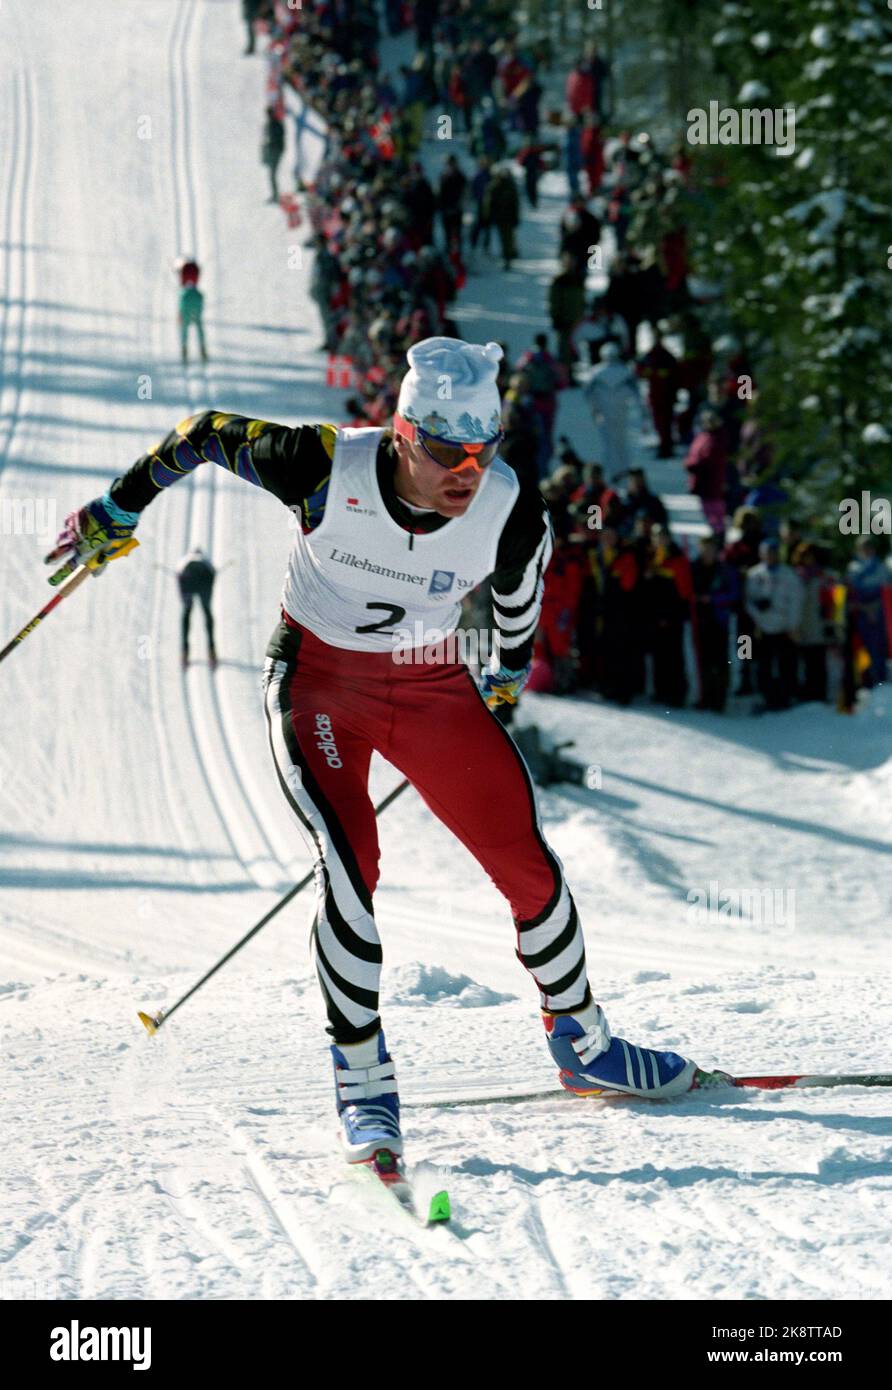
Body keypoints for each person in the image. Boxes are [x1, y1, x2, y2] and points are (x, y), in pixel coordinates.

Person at [45, 337, 697, 1172]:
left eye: (482, 449)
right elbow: (203, 432)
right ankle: (364, 1084)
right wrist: (119, 508)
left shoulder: (509, 509)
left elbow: (518, 608)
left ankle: (584, 1042)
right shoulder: (324, 464)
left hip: (429, 685)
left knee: (527, 864)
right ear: (400, 433)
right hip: (317, 683)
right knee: (352, 866)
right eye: (445, 450)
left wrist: (499, 686)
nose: (467, 470)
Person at [745, 539, 803, 711]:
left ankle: (786, 697)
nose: (770, 556)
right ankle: (767, 697)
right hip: (763, 627)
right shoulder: (754, 575)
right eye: (766, 552)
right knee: (764, 666)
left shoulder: (789, 575)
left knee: (786, 664)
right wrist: (758, 612)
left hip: (784, 627)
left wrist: (793, 625)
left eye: (773, 552)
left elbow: (796, 602)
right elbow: (748, 600)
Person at [691, 535, 739, 712]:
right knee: (703, 660)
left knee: (719, 661)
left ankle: (719, 699)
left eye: (710, 549)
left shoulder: (725, 570)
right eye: (704, 548)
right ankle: (705, 696)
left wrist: (713, 599)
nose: (707, 552)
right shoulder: (694, 567)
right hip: (700, 620)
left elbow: (733, 594)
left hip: (719, 620)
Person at [584, 343, 642, 475]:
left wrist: (595, 410)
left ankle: (614, 472)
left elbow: (589, 395)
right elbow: (636, 395)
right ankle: (621, 470)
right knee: (621, 442)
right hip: (620, 413)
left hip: (606, 414)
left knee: (609, 443)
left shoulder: (595, 372)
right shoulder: (625, 371)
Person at [684, 408, 728, 537]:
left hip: (712, 484)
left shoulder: (717, 439)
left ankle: (718, 539)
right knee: (709, 514)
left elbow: (708, 461)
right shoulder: (704, 436)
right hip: (703, 484)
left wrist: (691, 465)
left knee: (715, 515)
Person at [637, 329, 678, 459]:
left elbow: (675, 373)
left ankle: (666, 447)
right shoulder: (649, 355)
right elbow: (640, 370)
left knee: (666, 422)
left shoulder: (667, 356)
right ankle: (663, 444)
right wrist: (650, 373)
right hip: (655, 395)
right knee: (658, 422)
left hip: (667, 395)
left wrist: (664, 375)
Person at [176, 547, 217, 670]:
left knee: (187, 612)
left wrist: (185, 599)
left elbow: (178, 576)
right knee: (207, 611)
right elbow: (213, 574)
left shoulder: (184, 560)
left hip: (187, 578)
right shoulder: (206, 560)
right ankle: (212, 650)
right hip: (205, 578)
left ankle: (184, 651)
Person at [548, 252, 586, 378]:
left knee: (574, 349)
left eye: (572, 261)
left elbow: (581, 299)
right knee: (564, 350)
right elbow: (554, 301)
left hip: (577, 322)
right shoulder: (559, 280)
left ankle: (570, 373)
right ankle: (564, 376)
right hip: (564, 321)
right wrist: (556, 317)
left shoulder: (578, 279)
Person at [482, 164, 520, 270]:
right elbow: (488, 203)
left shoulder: (510, 186)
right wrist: (488, 217)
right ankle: (507, 255)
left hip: (508, 218)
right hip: (500, 218)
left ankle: (509, 255)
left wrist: (516, 217)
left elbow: (516, 203)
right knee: (505, 238)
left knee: (508, 237)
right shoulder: (494, 186)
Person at [178, 280, 207, 365]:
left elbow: (181, 307)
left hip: (186, 315)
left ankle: (184, 348)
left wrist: (181, 316)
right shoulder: (199, 294)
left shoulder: (184, 295)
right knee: (200, 331)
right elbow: (201, 306)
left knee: (184, 331)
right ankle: (202, 348)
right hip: (196, 315)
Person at [261, 105, 285, 203]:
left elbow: (279, 139)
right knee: (272, 175)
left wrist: (277, 150)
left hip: (275, 151)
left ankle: (275, 196)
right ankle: (275, 195)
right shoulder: (270, 124)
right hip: (271, 151)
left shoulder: (276, 124)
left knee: (272, 175)